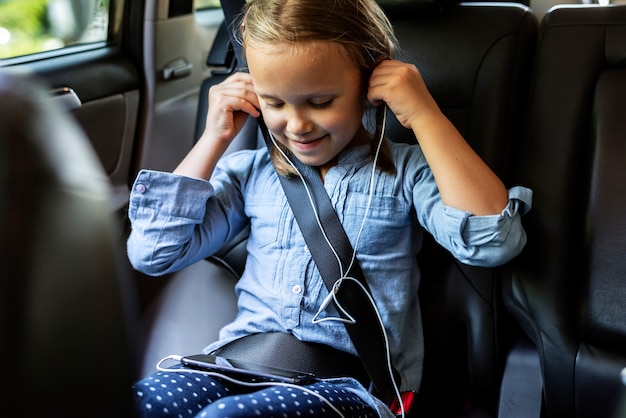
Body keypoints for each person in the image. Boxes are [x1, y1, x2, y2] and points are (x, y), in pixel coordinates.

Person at [127, 0, 532, 417]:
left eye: (320, 102)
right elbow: (153, 251)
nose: (297, 125)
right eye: (274, 103)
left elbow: (493, 241)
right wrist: (214, 137)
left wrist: (424, 114)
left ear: (370, 83)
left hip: (347, 386)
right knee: (137, 403)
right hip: (234, 365)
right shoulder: (248, 172)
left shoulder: (405, 172)